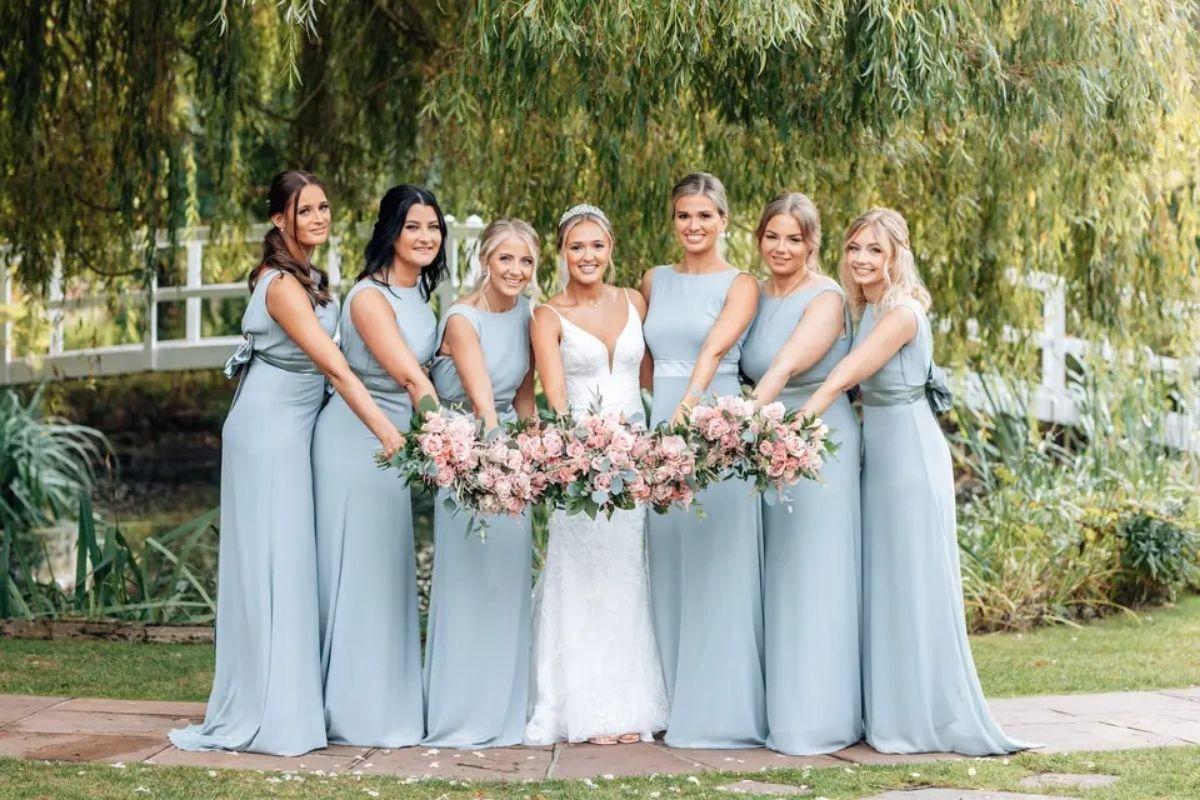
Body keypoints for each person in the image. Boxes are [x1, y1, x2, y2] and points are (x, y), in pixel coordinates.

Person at [169, 170, 403, 756]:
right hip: (269, 432)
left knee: (292, 563)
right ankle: (271, 711)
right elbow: (335, 367)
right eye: (305, 211)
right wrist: (386, 431)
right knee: (276, 563)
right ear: (280, 220)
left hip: (297, 429)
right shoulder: (281, 286)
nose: (319, 218)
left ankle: (291, 701)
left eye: (324, 208)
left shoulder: (313, 277)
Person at [800, 208, 1029, 756]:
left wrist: (804, 414)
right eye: (854, 248)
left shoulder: (899, 313)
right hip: (877, 451)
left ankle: (921, 714)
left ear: (895, 255)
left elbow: (847, 372)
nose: (861, 259)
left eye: (874, 250)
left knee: (912, 580)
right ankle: (886, 707)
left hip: (909, 454)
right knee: (884, 580)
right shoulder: (862, 306)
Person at [525, 204, 668, 746]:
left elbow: (650, 375)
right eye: (576, 247)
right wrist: (578, 454)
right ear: (562, 252)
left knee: (627, 575)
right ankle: (584, 708)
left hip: (634, 461)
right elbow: (555, 395)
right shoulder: (547, 314)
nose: (588, 257)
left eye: (597, 246)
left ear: (611, 247)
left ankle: (630, 705)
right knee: (582, 577)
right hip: (581, 464)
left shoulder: (634, 300)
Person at [312, 185, 445, 747]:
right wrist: (451, 437)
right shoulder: (369, 297)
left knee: (387, 571)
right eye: (413, 226)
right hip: (355, 439)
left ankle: (386, 703)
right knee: (357, 570)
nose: (425, 237)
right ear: (391, 231)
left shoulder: (424, 300)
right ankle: (351, 711)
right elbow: (413, 380)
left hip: (393, 447)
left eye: (433, 227)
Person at [641, 172, 766, 748]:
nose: (693, 226)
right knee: (669, 561)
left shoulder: (741, 283)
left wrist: (686, 412)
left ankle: (722, 709)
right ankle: (668, 700)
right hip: (660, 420)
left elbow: (716, 348)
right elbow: (643, 357)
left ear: (724, 221)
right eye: (683, 216)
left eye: (704, 216)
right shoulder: (654, 279)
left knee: (719, 561)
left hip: (711, 421)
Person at [740, 192, 863, 755]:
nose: (781, 248)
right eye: (772, 236)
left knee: (814, 574)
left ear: (813, 243)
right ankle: (774, 707)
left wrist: (741, 426)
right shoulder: (755, 294)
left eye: (794, 238)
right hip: (768, 442)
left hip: (816, 440)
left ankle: (818, 717)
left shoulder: (828, 298)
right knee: (776, 574)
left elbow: (788, 364)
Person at [422, 217, 539, 748]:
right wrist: (497, 459)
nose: (516, 270)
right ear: (485, 261)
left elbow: (522, 401)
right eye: (506, 259)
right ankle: (463, 712)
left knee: (508, 583)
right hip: (469, 458)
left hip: (513, 457)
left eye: (526, 261)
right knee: (470, 582)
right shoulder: (462, 320)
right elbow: (484, 404)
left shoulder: (529, 317)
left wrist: (543, 456)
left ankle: (509, 708)